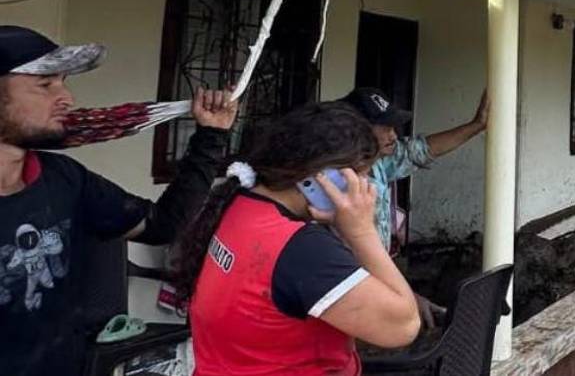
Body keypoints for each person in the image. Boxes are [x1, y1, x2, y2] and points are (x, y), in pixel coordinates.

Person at [0, 25, 238, 376]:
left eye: (63, 82)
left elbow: (162, 225)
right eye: (45, 84)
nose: (67, 98)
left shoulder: (65, 179)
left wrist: (211, 138)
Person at [170, 102, 421, 375]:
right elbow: (402, 326)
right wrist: (362, 231)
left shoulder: (239, 202)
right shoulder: (301, 249)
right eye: (361, 174)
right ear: (321, 176)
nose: (367, 186)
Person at [337, 87, 488, 326]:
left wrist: (477, 125)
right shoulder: (335, 187)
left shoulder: (377, 163)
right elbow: (349, 262)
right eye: (385, 128)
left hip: (378, 282)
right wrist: (405, 298)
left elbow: (419, 150)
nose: (394, 136)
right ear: (356, 132)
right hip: (350, 293)